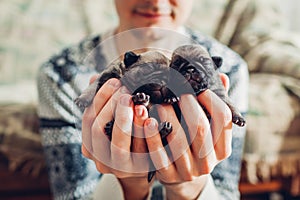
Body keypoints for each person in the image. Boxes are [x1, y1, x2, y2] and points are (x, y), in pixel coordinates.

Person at [37, 0, 248, 199]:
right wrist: (128, 186)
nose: (156, 1)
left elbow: (226, 192)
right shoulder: (61, 75)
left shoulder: (228, 68)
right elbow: (74, 194)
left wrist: (190, 187)